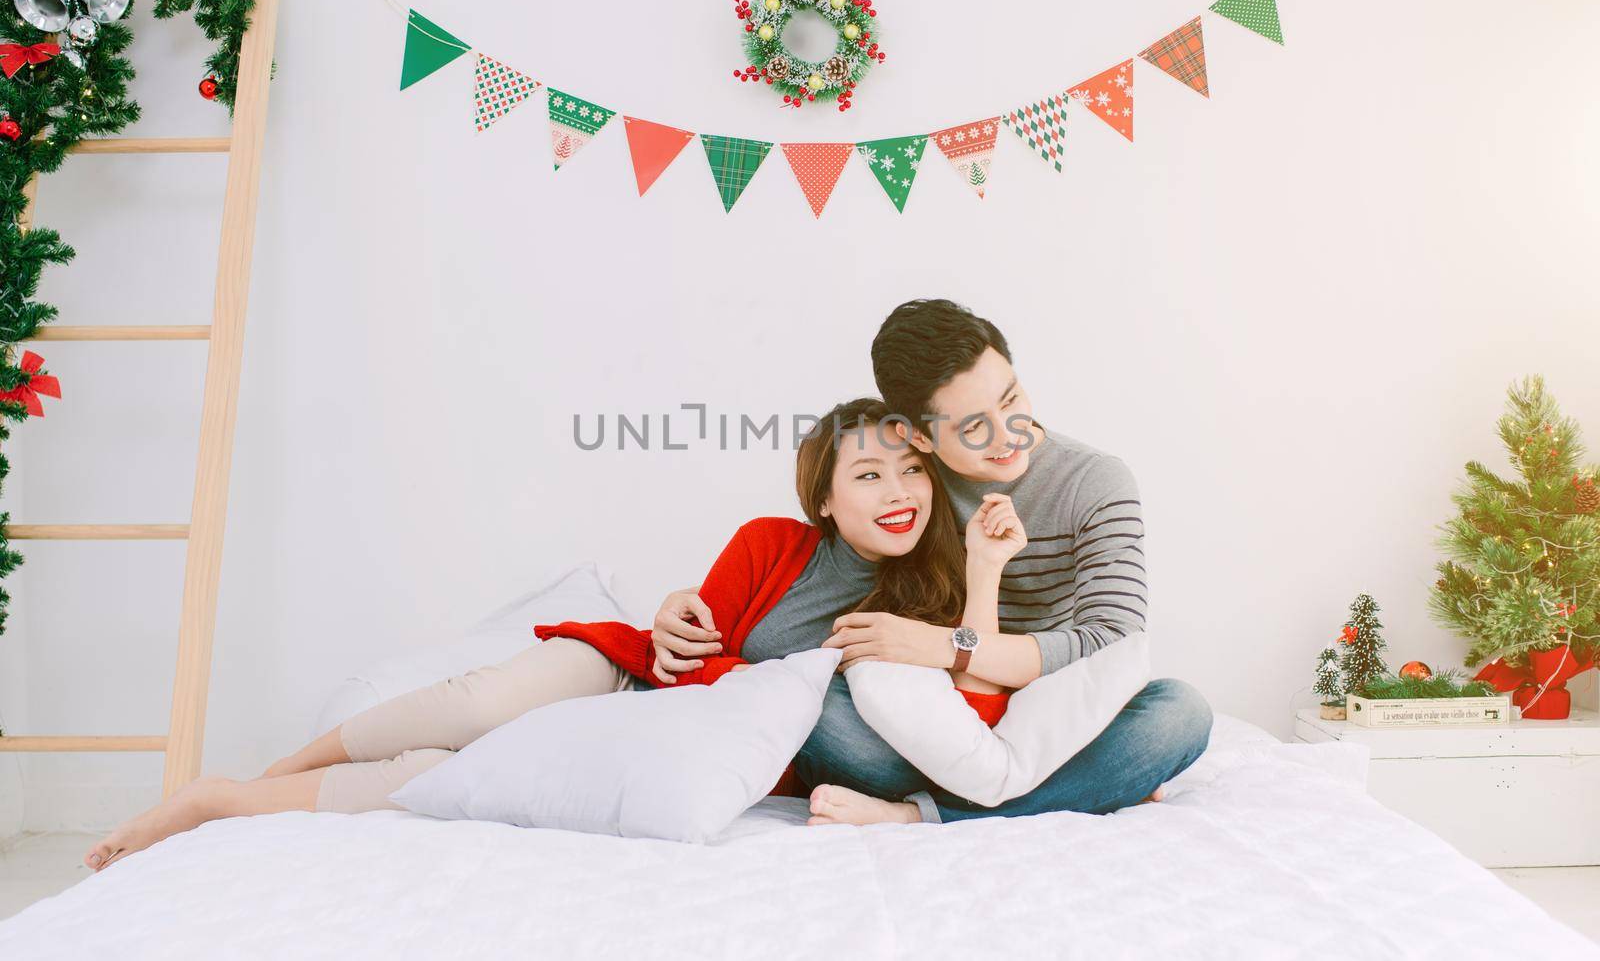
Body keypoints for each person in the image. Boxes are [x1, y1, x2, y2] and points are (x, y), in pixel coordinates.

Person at [81, 397, 1004, 872]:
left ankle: (217, 800)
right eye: (871, 477)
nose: (900, 496)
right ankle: (271, 772)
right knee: (476, 704)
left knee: (435, 784)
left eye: (911, 475)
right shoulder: (772, 542)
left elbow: (973, 718)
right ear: (825, 496)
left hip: (661, 738)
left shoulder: (935, 590)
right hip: (621, 678)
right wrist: (677, 625)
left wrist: (988, 579)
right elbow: (688, 649)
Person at [672, 299, 1214, 826]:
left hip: (1058, 710)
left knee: (1180, 715)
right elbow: (835, 580)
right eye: (973, 427)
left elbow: (1112, 640)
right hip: (942, 722)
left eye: (1011, 398)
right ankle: (1086, 788)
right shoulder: (912, 488)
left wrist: (947, 646)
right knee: (824, 710)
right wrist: (684, 611)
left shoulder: (1095, 482)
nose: (1008, 435)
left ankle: (919, 813)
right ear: (920, 437)